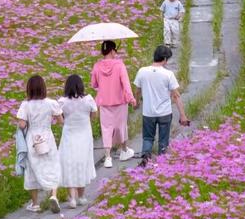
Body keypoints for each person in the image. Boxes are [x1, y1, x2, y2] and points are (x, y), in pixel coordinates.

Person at [134, 45, 189, 165]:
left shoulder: (142, 71)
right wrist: (183, 115)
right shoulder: (168, 74)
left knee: (148, 138)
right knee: (163, 139)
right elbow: (176, 96)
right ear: (164, 59)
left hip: (148, 112)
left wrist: (137, 102)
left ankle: (145, 158)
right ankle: (161, 163)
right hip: (164, 112)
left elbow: (137, 90)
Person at [16, 75, 63, 213]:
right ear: (43, 87)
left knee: (32, 169)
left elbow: (22, 124)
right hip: (47, 137)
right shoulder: (50, 103)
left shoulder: (26, 105)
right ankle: (53, 196)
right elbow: (60, 121)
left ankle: (35, 203)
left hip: (33, 139)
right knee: (53, 165)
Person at [91, 40, 136, 168]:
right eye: (115, 50)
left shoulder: (97, 66)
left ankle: (108, 157)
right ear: (112, 51)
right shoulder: (119, 65)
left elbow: (94, 84)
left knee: (106, 128)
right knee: (121, 126)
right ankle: (124, 150)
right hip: (120, 102)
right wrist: (131, 98)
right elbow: (126, 84)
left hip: (104, 102)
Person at [58, 73, 97, 208]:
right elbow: (94, 114)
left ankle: (72, 198)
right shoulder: (88, 99)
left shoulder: (63, 102)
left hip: (69, 135)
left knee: (69, 164)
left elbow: (60, 119)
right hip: (85, 135)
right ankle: (81, 196)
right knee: (83, 163)